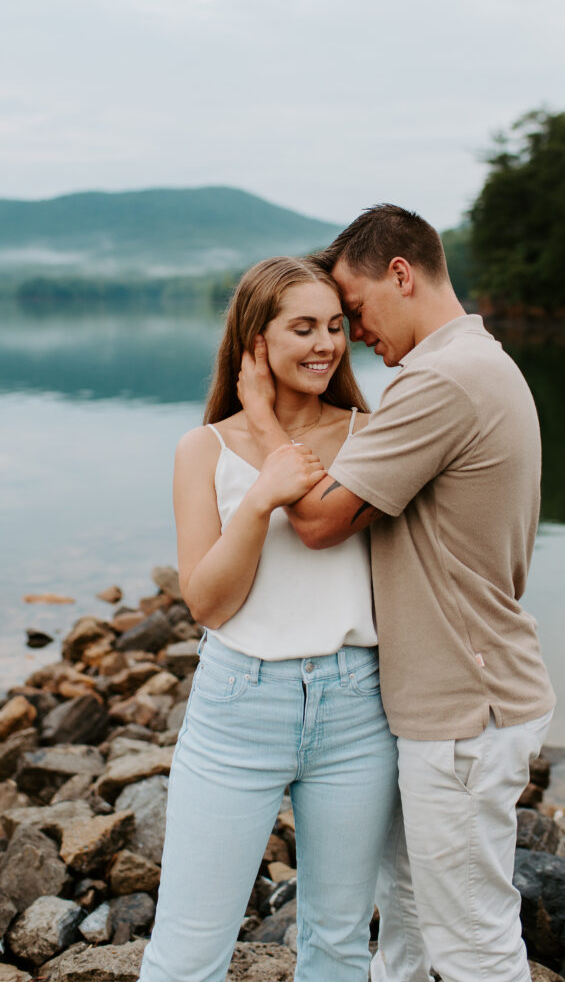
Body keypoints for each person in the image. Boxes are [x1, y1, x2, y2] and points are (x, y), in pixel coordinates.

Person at [237, 205, 557, 982]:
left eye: (353, 310)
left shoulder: (443, 379)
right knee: (409, 926)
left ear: (402, 275)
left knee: (473, 944)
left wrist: (256, 411)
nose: (353, 333)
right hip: (452, 703)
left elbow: (315, 522)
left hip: (461, 708)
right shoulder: (475, 362)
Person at [138, 256, 398, 982]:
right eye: (302, 327)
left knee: (339, 942)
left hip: (356, 709)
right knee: (188, 952)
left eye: (336, 326)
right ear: (255, 339)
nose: (325, 344)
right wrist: (257, 499)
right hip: (238, 706)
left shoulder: (368, 433)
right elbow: (208, 602)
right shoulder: (204, 449)